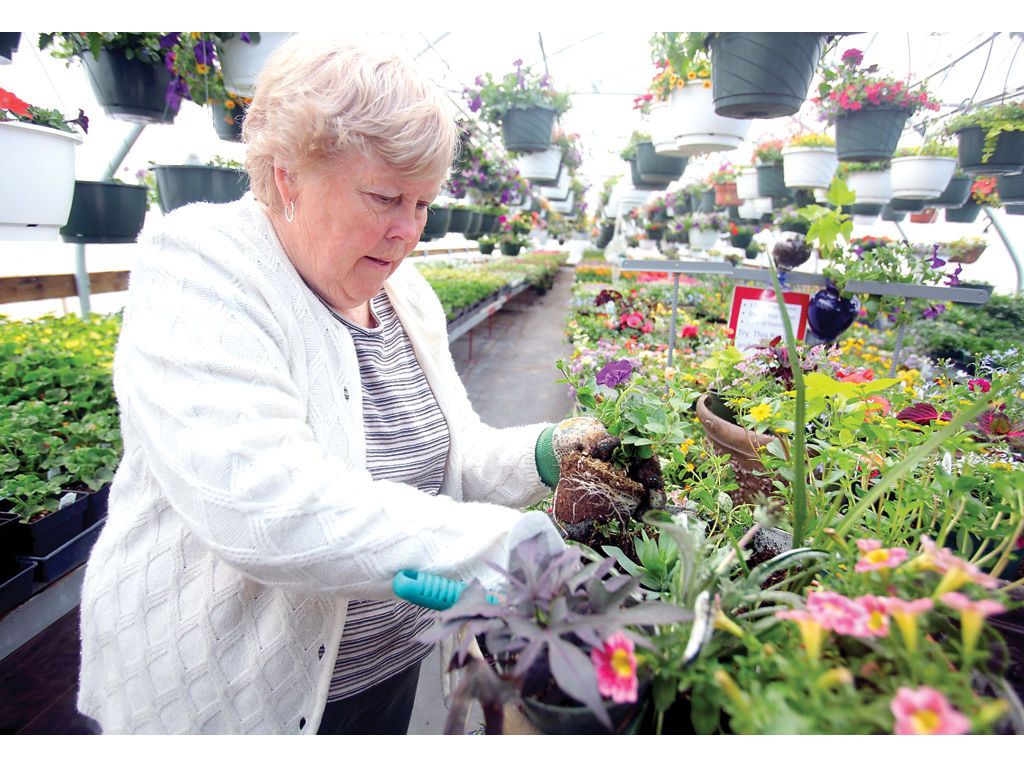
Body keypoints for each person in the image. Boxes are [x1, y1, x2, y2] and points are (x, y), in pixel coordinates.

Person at [75, 34, 611, 735]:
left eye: (422, 205)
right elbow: (265, 500)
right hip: (235, 701)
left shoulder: (404, 293)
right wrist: (504, 547)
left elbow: (452, 457)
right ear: (287, 175)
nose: (406, 233)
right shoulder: (202, 267)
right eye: (385, 197)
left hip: (383, 678)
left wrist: (546, 451)